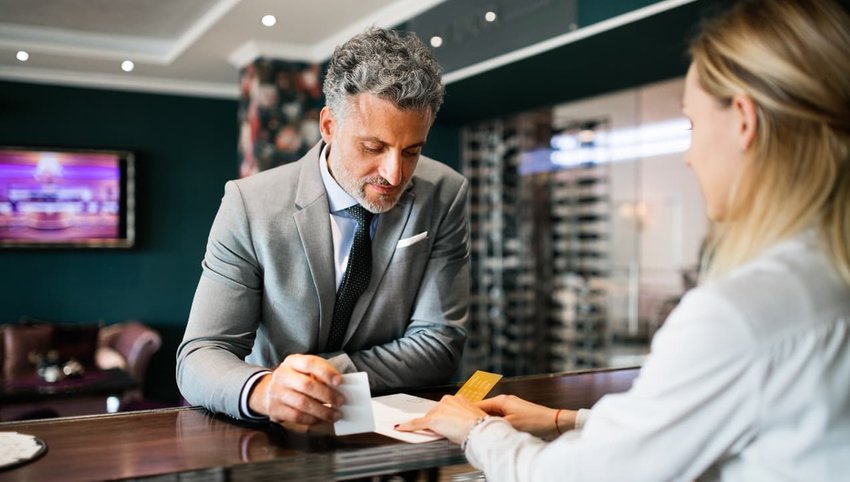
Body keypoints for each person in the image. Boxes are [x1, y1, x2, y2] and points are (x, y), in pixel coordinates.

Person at [397, 0, 850, 480]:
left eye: (692, 125)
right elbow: (699, 425)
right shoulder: (824, 280)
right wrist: (562, 420)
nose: (689, 156)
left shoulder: (737, 315)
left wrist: (474, 432)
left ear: (743, 120)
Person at [177, 27, 469, 425]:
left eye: (412, 151)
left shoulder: (445, 193)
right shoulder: (249, 205)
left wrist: (320, 377)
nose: (395, 173)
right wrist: (264, 388)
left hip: (393, 428)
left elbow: (439, 344)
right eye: (373, 147)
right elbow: (200, 356)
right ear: (329, 126)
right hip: (271, 428)